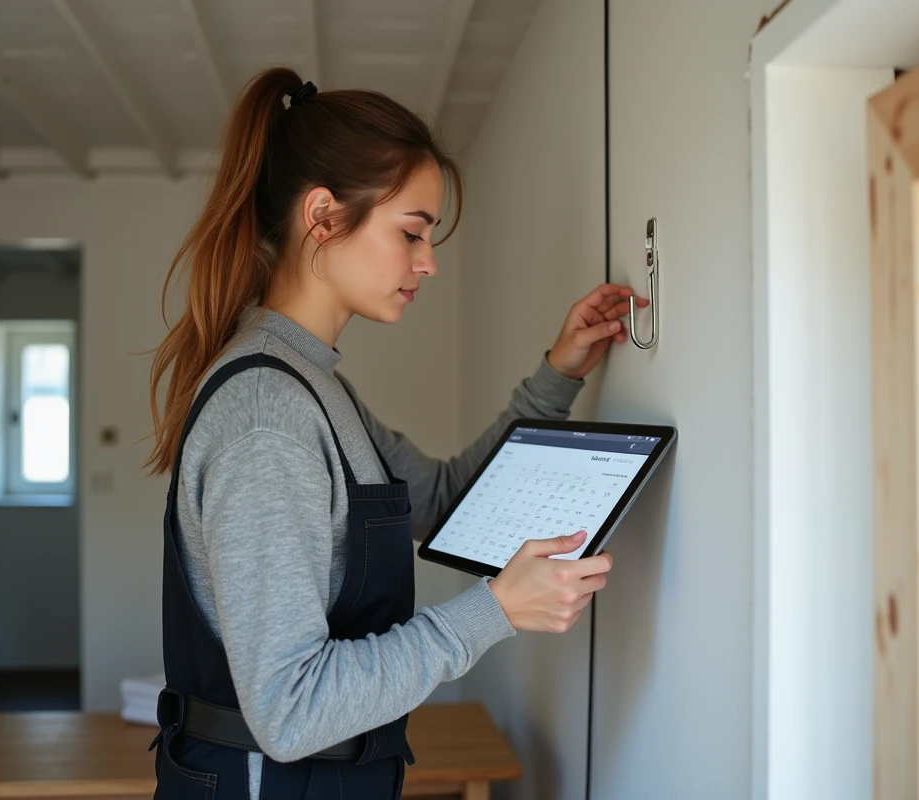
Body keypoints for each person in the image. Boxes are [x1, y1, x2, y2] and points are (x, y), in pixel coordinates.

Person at [145, 67, 636, 800]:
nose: (428, 262)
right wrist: (495, 610)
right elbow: (290, 709)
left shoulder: (313, 386)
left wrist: (557, 375)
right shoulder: (267, 415)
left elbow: (442, 500)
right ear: (322, 216)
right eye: (411, 231)